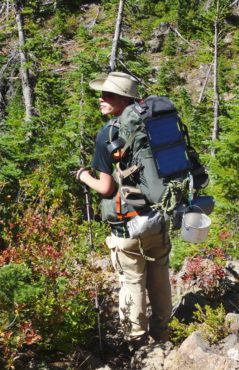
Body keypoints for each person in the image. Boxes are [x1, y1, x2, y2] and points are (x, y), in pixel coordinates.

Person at [77, 72, 172, 348]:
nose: (101, 99)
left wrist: (84, 176)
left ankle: (137, 343)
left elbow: (106, 188)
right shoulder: (153, 123)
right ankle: (163, 333)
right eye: (102, 94)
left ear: (124, 100)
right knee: (159, 276)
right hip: (157, 216)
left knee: (132, 281)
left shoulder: (108, 133)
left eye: (109, 95)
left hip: (126, 225)